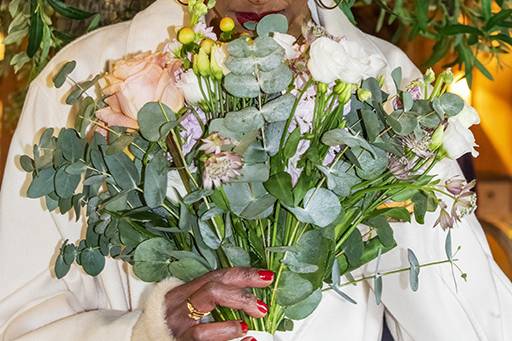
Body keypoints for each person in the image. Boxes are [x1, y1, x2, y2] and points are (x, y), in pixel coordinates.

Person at [0, 0, 511, 340]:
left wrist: (390, 183)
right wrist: (148, 329)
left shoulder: (386, 82)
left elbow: (468, 324)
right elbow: (16, 318)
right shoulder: (83, 80)